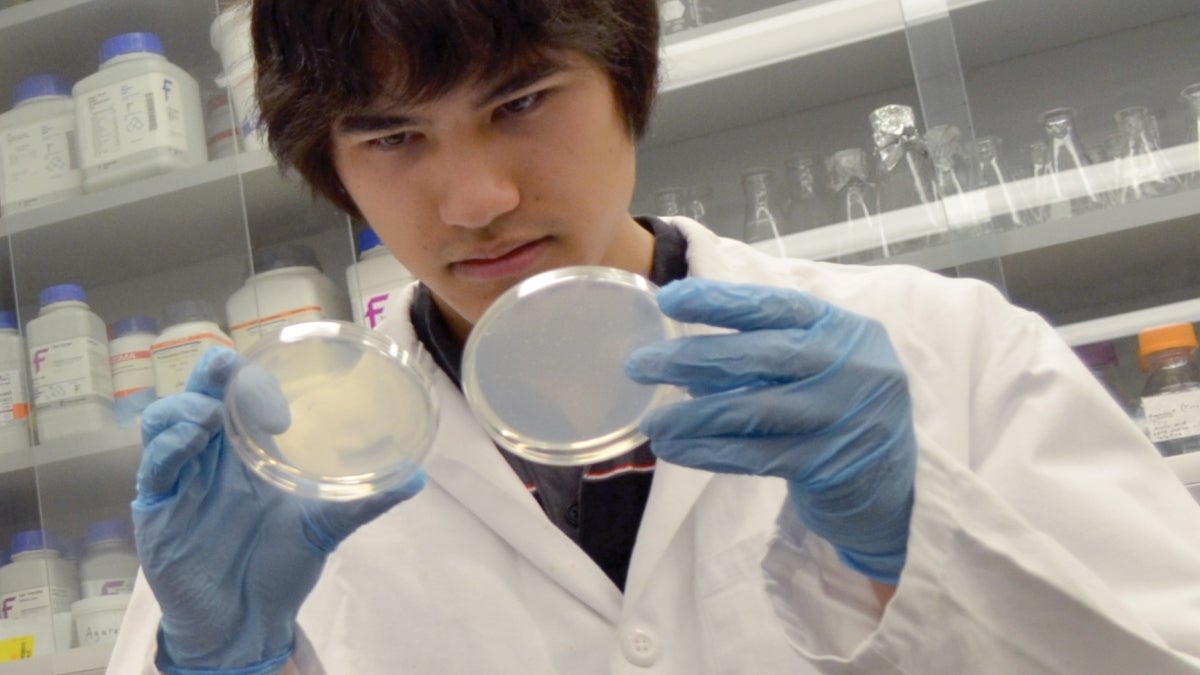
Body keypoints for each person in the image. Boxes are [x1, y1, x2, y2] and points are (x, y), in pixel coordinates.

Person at [108, 1, 1200, 673]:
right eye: (393, 137)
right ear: (331, 166)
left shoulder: (944, 349)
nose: (476, 198)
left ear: (629, 83)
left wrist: (911, 547)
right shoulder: (283, 473)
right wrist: (213, 669)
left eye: (524, 101)